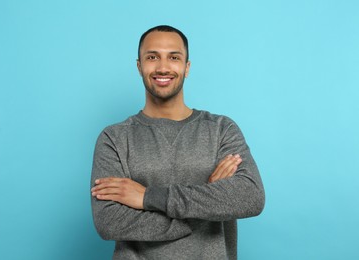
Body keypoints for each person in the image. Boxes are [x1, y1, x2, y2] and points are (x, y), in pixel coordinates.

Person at [90, 25, 265, 260]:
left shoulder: (222, 129)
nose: (163, 67)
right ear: (139, 66)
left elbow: (250, 197)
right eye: (152, 57)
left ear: (187, 67)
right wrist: (208, 199)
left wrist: (147, 197)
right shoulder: (114, 138)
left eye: (174, 57)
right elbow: (109, 222)